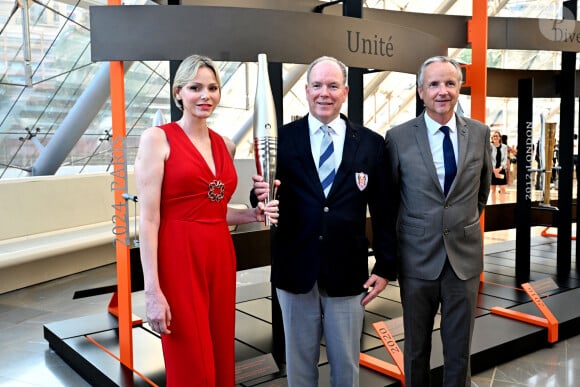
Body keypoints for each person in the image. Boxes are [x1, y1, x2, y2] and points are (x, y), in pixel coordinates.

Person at [134, 54, 278, 386]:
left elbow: (214, 210)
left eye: (212, 88)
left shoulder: (224, 145)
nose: (205, 95)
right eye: (195, 87)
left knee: (220, 350)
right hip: (178, 256)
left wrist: (251, 214)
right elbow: (150, 219)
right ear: (179, 93)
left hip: (219, 255)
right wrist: (152, 291)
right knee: (190, 356)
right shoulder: (158, 139)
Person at [253, 56, 396, 387]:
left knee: (346, 365)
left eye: (333, 86)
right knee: (300, 367)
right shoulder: (283, 140)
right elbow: (264, 193)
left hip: (348, 275)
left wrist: (387, 267)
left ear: (345, 91)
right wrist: (259, 196)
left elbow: (386, 211)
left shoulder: (371, 144)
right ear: (305, 90)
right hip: (295, 270)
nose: (324, 93)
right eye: (317, 85)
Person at [384, 56, 492, 387]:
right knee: (416, 349)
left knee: (459, 352)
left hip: (463, 260)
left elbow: (481, 193)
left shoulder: (479, 133)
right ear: (420, 91)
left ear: (459, 88)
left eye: (449, 83)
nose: (442, 91)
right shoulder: (398, 137)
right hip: (416, 260)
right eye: (434, 84)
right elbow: (390, 200)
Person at [490, 129, 508, 202]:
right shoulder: (490, 146)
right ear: (492, 138)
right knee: (493, 189)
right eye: (494, 136)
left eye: (497, 136)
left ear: (500, 137)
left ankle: (502, 205)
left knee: (503, 188)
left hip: (501, 169)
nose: (495, 137)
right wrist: (493, 169)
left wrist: (500, 168)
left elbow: (505, 159)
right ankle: (493, 205)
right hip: (492, 170)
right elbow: (488, 158)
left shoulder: (504, 147)